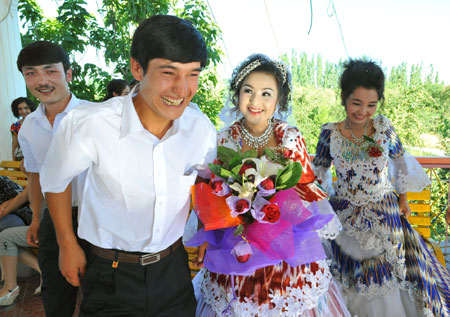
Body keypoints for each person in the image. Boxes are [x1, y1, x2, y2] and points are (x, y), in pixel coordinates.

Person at [40, 15, 217, 315]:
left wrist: (207, 227)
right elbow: (55, 180)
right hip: (110, 275)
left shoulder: (200, 130)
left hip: (173, 272)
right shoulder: (89, 125)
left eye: (192, 74)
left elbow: (204, 180)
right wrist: (67, 242)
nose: (182, 88)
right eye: (168, 72)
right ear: (137, 68)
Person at [189, 54, 349, 316]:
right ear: (237, 94)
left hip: (285, 248)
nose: (255, 101)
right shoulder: (224, 139)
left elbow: (305, 189)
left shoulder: (289, 137)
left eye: (266, 93)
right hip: (236, 246)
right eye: (248, 91)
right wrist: (207, 233)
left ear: (278, 101)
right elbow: (209, 189)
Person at [312, 59, 450, 316]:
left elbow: (400, 162)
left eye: (371, 105)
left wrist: (404, 199)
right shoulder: (329, 134)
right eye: (356, 103)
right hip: (344, 215)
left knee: (392, 274)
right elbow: (318, 174)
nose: (363, 111)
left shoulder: (384, 129)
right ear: (343, 98)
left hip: (384, 212)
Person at [17, 40, 90, 317]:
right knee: (55, 292)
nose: (42, 80)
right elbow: (34, 176)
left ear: (68, 74)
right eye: (31, 73)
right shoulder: (29, 127)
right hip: (54, 221)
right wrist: (37, 217)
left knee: (99, 293)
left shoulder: (92, 116)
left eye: (50, 70)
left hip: (95, 218)